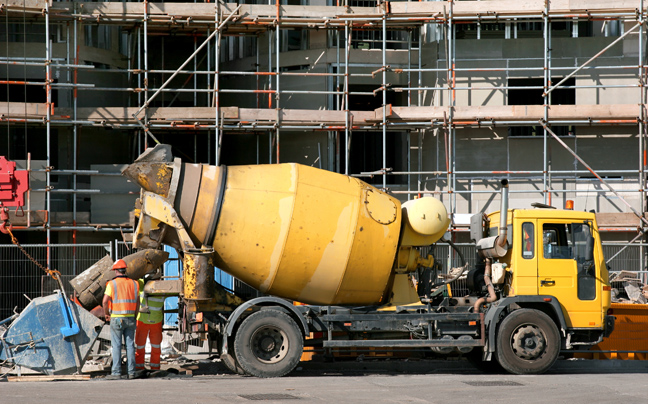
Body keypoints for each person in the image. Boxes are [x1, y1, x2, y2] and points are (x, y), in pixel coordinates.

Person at [103, 259, 140, 379]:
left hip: (117, 318)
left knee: (117, 345)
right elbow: (138, 302)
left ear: (116, 271)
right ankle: (131, 372)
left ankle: (116, 372)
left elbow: (104, 301)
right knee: (130, 345)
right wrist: (135, 314)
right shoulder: (135, 283)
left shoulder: (111, 284)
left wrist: (106, 314)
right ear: (124, 270)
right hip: (131, 317)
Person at [135, 274, 165, 372]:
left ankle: (139, 367)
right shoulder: (163, 288)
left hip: (142, 320)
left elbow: (135, 277)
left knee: (140, 346)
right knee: (156, 346)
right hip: (156, 321)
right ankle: (155, 368)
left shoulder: (142, 285)